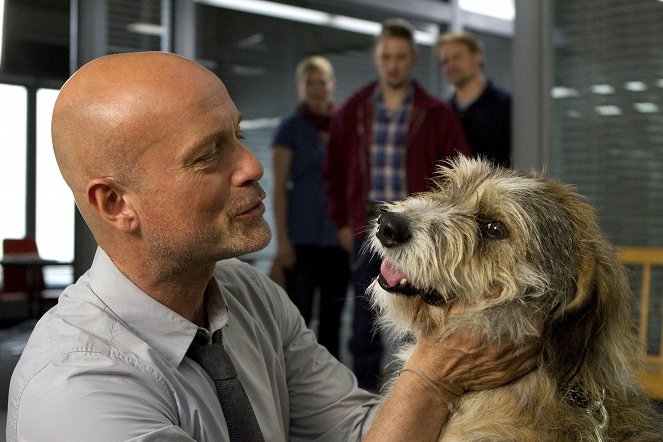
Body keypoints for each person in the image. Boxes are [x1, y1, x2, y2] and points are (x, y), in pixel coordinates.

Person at [7, 51, 538, 442]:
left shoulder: (246, 296)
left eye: (236, 134)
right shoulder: (77, 394)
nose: (254, 166)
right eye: (208, 154)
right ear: (117, 203)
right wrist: (432, 374)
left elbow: (356, 430)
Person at [324, 18, 471, 392]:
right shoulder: (354, 111)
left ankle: (418, 405)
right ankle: (367, 413)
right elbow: (334, 172)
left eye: (401, 57)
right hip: (366, 226)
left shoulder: (436, 114)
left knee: (422, 324)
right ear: (376, 58)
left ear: (413, 59)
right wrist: (342, 223)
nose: (393, 65)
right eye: (386, 56)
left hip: (416, 231)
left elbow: (459, 178)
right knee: (363, 328)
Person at [269, 55, 348, 359]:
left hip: (337, 239)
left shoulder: (346, 127)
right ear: (299, 87)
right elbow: (279, 189)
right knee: (298, 319)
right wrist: (283, 243)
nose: (317, 88)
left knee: (333, 321)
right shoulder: (289, 128)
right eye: (309, 83)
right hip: (300, 240)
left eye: (322, 81)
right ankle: (295, 387)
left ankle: (334, 391)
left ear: (332, 85)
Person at [436, 31, 512, 167]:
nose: (450, 65)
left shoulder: (506, 105)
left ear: (478, 58)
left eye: (457, 57)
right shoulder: (444, 112)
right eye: (445, 61)